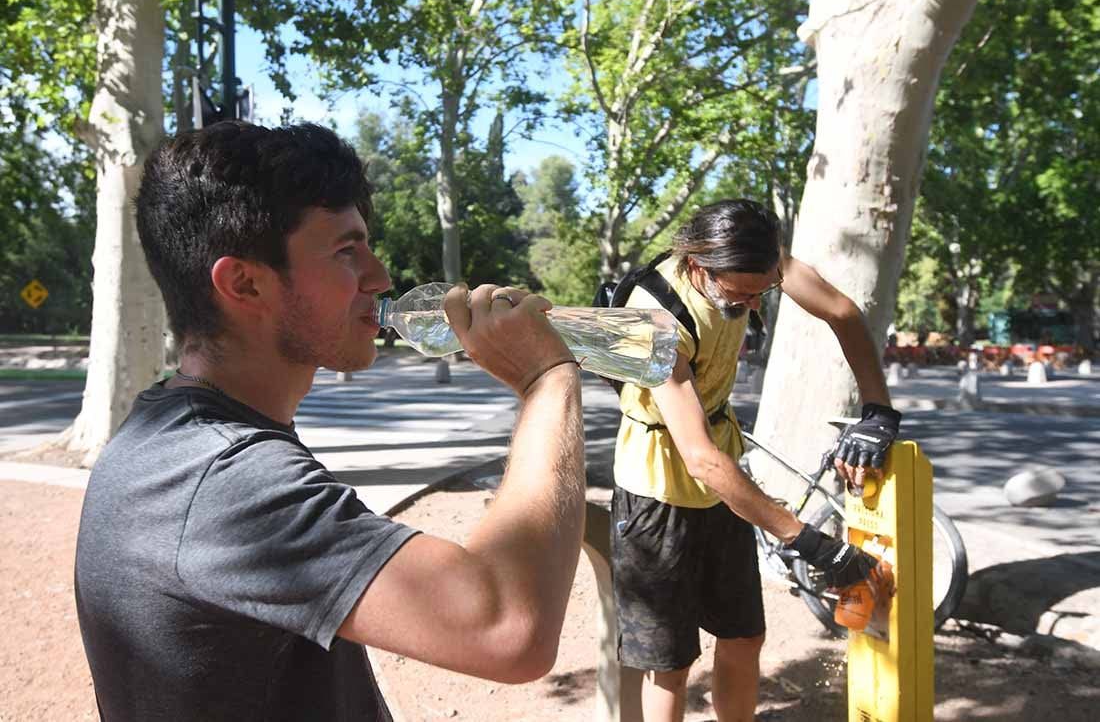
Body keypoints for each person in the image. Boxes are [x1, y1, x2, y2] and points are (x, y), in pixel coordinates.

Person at [74, 121, 587, 721]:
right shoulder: (218, 479)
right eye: (347, 251)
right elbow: (508, 627)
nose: (380, 277)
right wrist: (548, 380)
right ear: (243, 282)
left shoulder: (181, 437)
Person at [610, 199, 902, 722]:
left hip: (723, 480)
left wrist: (878, 408)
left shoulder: (759, 263)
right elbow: (699, 458)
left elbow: (842, 311)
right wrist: (811, 542)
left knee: (744, 636)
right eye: (740, 294)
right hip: (655, 494)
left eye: (762, 290)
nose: (752, 303)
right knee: (669, 664)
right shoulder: (651, 317)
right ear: (701, 266)